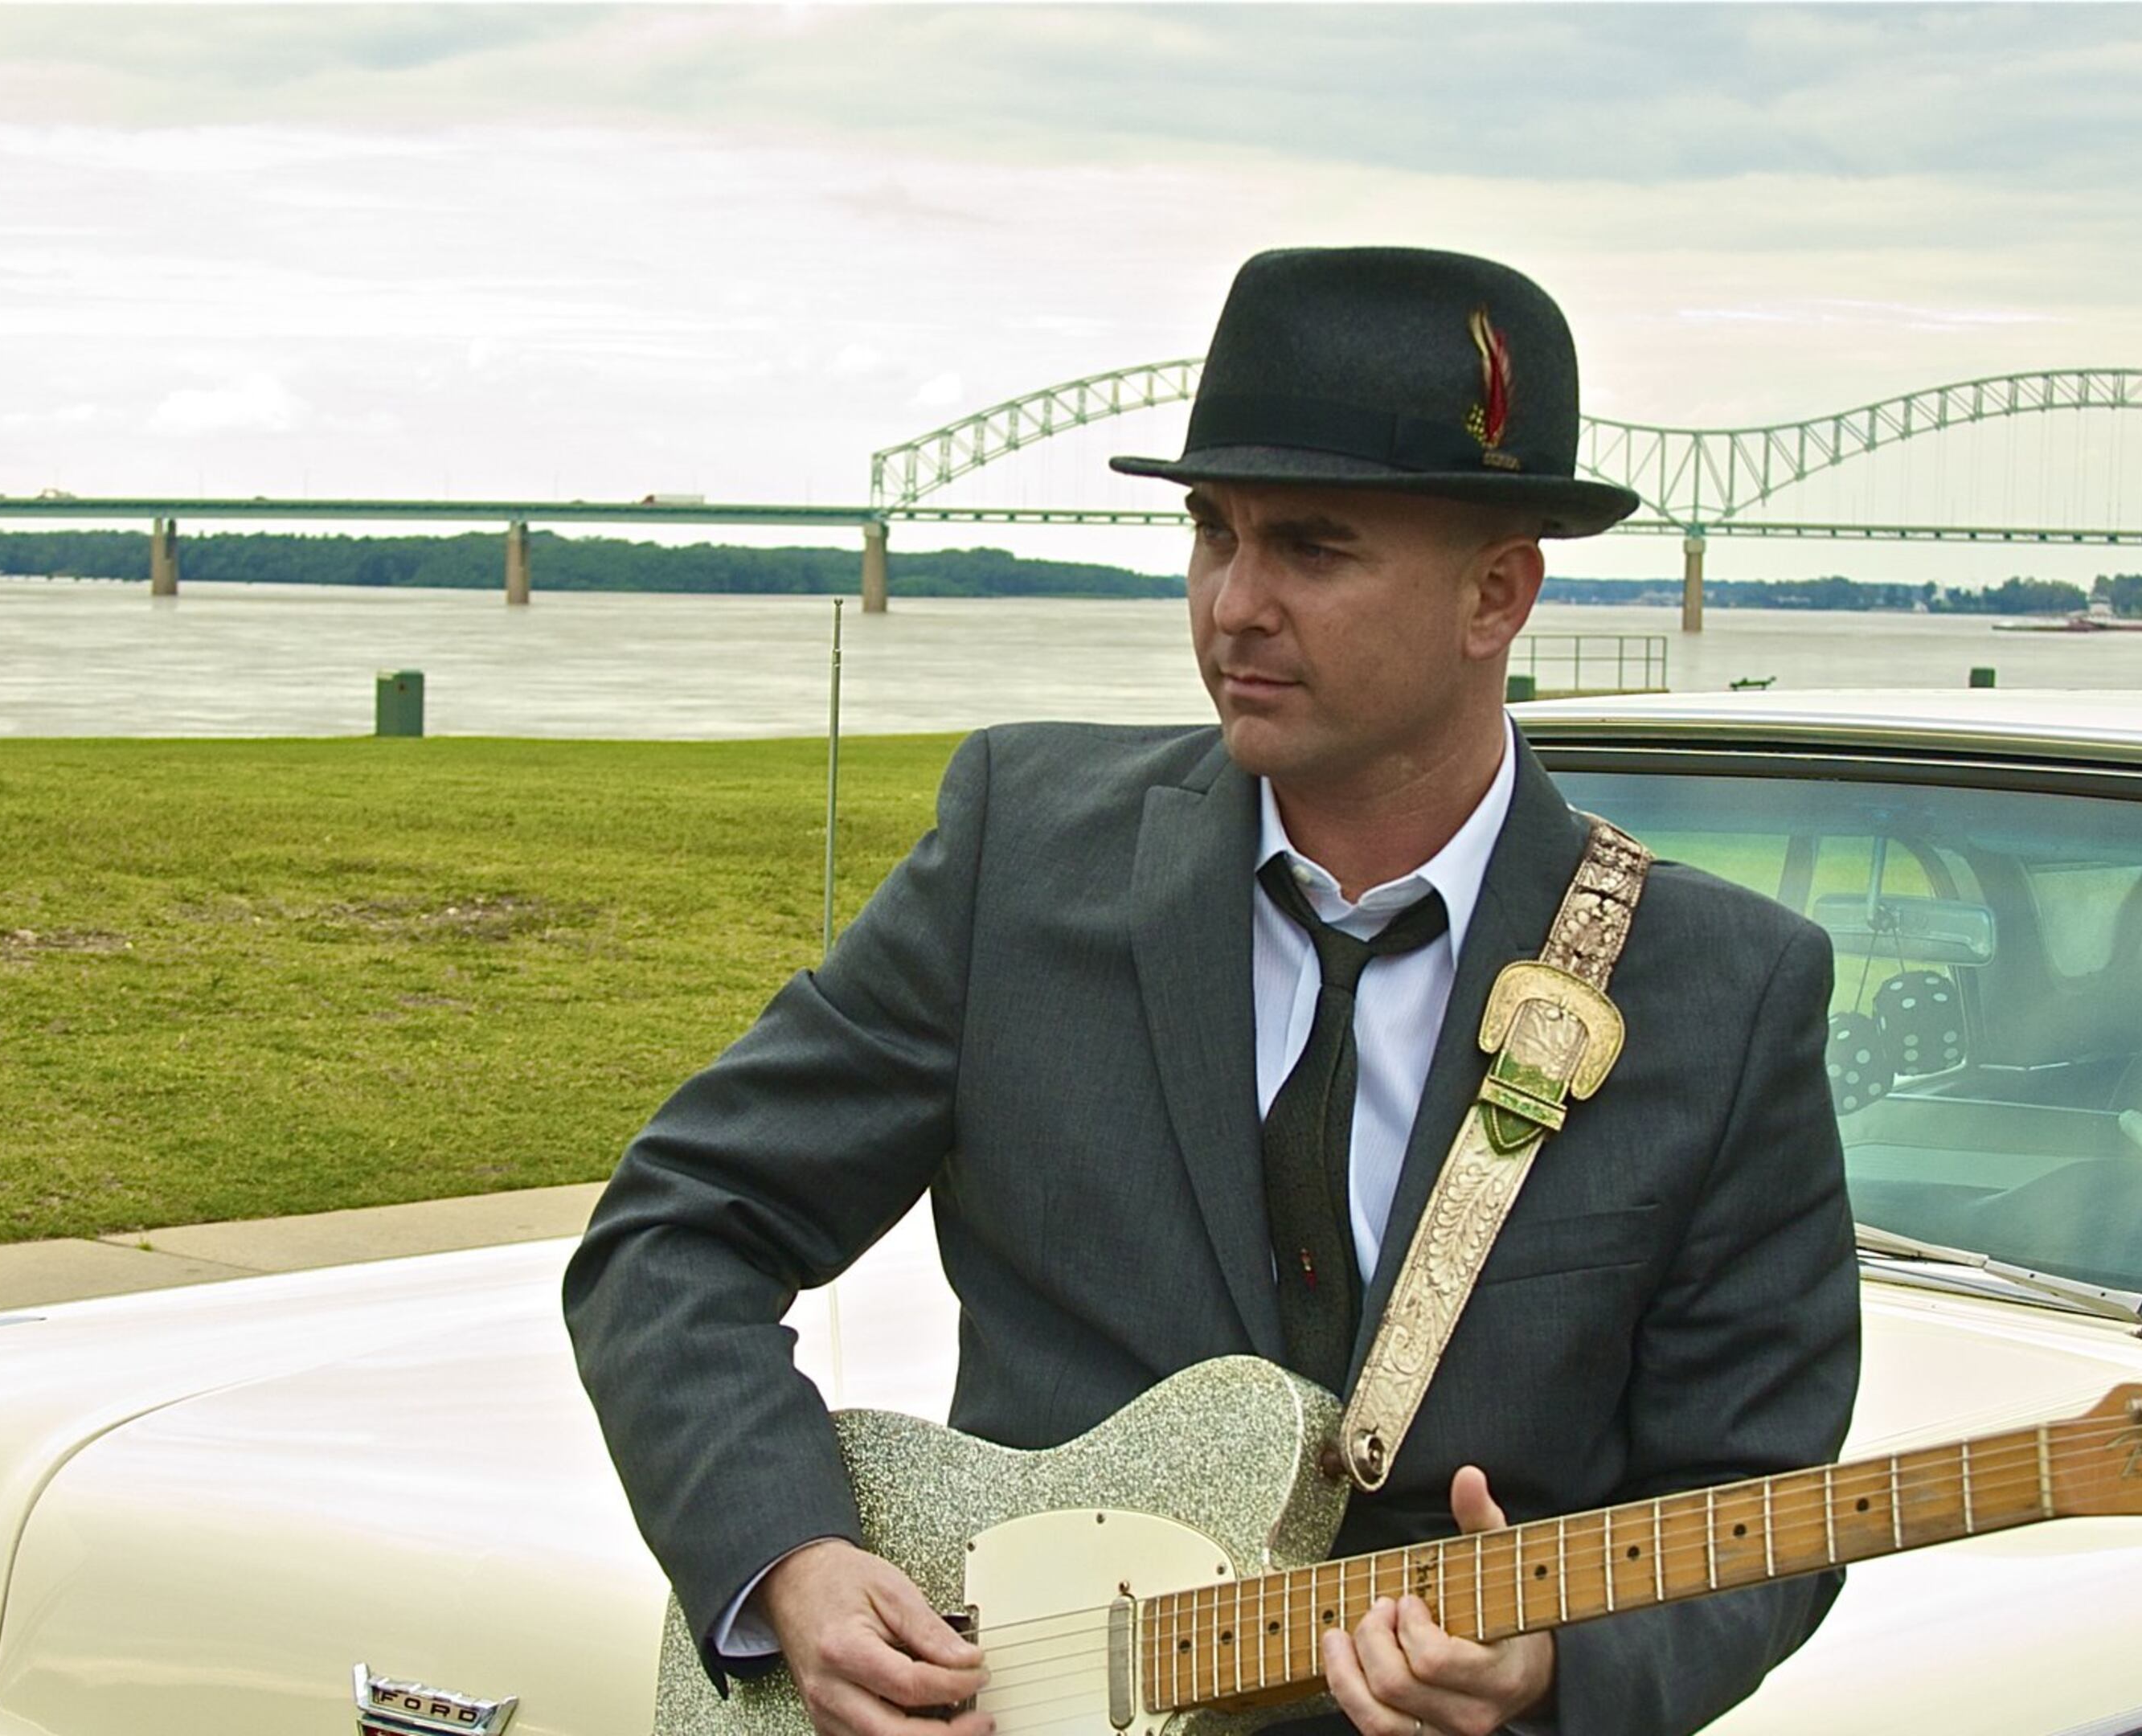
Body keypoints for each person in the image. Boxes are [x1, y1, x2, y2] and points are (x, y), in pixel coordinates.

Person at [565, 246, 1858, 1736]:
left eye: (1312, 548)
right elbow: (675, 1234)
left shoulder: (1720, 989)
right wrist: (786, 1554)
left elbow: (1765, 1504)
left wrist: (1558, 1666)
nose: (1233, 604)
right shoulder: (1024, 853)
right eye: (1211, 532)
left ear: (1496, 595)